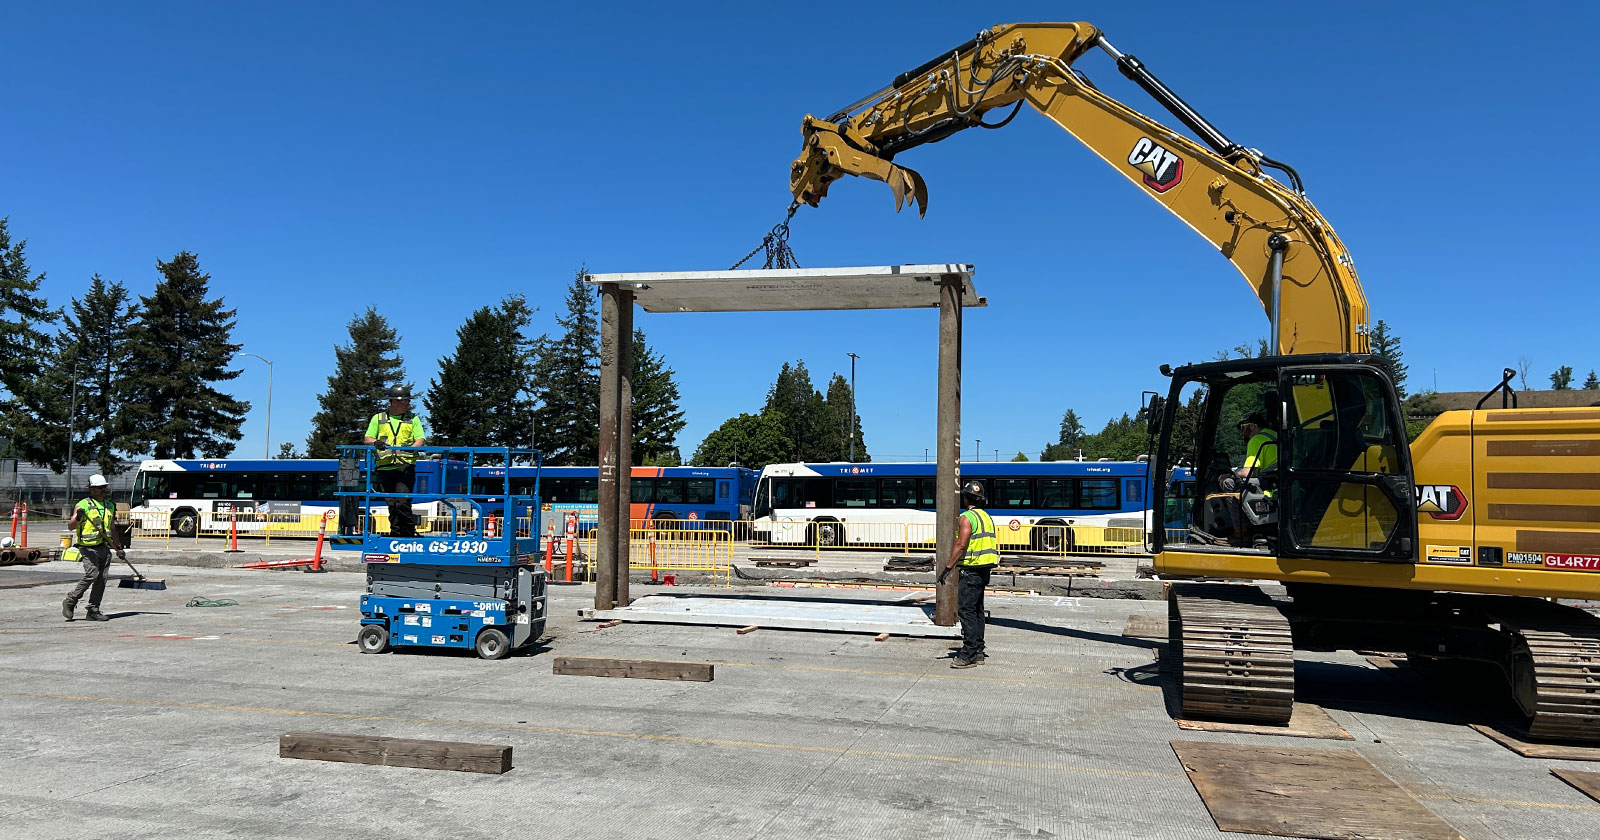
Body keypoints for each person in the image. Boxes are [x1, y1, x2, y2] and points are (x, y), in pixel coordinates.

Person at [938, 481, 1001, 668]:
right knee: (977, 610)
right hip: (984, 569)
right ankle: (979, 651)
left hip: (971, 570)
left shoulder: (967, 517)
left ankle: (968, 655)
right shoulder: (986, 517)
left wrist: (948, 567)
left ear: (965, 498)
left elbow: (961, 544)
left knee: (966, 611)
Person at [364, 385, 427, 538]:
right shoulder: (378, 418)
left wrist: (412, 449)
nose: (408, 404)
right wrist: (376, 442)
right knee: (392, 503)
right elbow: (367, 438)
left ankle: (407, 533)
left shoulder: (413, 419)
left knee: (402, 501)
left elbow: (420, 439)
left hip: (404, 466)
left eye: (408, 401)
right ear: (393, 401)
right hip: (384, 467)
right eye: (404, 401)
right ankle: (396, 533)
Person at [62, 474, 124, 621]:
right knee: (92, 574)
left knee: (101, 579)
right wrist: (78, 517)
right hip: (87, 548)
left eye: (104, 487)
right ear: (91, 489)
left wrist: (118, 546)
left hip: (104, 548)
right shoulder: (83, 505)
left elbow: (112, 528)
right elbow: (70, 526)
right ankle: (70, 601)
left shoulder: (109, 506)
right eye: (99, 488)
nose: (103, 490)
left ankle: (93, 610)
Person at [1235, 411, 1278, 484]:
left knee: (1230, 482)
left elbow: (1247, 473)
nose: (1242, 433)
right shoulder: (1275, 435)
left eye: (1242, 428)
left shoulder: (1256, 440)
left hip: (1272, 487)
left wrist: (1232, 475)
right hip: (1284, 482)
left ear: (1252, 426)